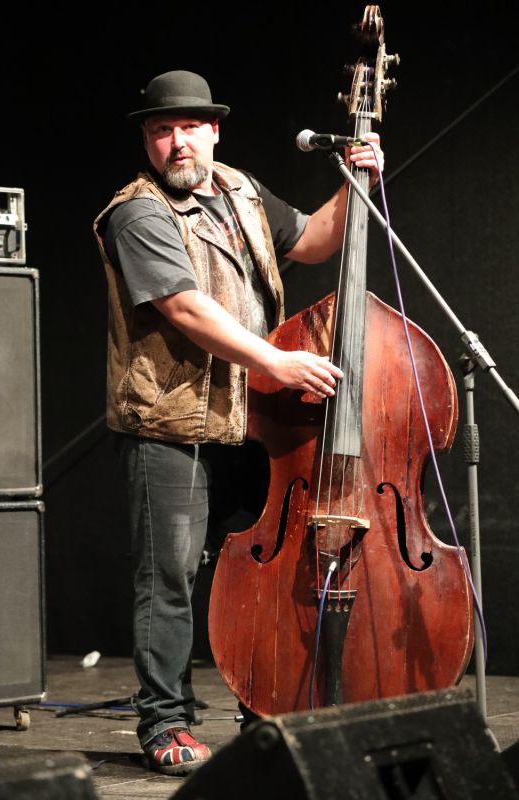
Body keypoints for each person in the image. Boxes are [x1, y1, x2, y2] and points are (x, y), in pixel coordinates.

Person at [93, 69, 383, 776]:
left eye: (190, 127)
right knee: (168, 579)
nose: (178, 142)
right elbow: (186, 308)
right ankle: (165, 722)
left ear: (214, 131)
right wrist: (276, 362)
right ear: (147, 141)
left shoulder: (241, 191)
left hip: (250, 422)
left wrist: (358, 183)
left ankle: (264, 705)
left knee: (260, 573)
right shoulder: (136, 213)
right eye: (162, 130)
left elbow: (313, 240)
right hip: (170, 424)